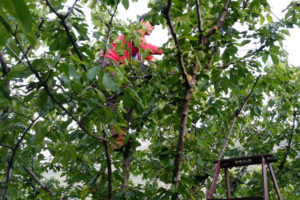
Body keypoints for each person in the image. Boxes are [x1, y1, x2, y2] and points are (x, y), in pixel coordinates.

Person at [100, 13, 163, 150]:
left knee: (116, 100)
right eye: (152, 23)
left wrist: (161, 67)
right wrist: (165, 51)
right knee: (123, 95)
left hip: (113, 67)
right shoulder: (135, 33)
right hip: (109, 63)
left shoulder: (139, 43)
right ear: (142, 21)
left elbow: (148, 57)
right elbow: (145, 47)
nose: (153, 27)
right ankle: (117, 135)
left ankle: (118, 137)